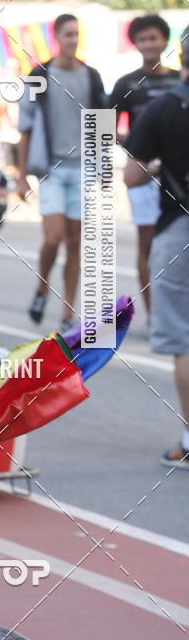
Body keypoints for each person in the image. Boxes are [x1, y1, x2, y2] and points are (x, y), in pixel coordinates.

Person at [124, 25, 189, 469]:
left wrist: (160, 165)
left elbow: (132, 176)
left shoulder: (162, 108)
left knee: (184, 340)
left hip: (178, 229)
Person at [17, 13, 106, 333]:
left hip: (83, 169)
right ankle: (42, 287)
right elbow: (25, 127)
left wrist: (104, 169)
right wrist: (21, 176)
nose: (73, 39)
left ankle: (68, 310)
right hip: (51, 170)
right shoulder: (40, 74)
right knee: (53, 238)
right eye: (68, 34)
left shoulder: (92, 77)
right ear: (56, 37)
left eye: (76, 34)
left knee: (74, 242)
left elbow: (102, 124)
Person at [109, 14, 180, 314]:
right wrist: (137, 146)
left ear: (164, 41)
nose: (149, 44)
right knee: (148, 245)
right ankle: (154, 315)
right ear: (135, 43)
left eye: (154, 38)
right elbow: (105, 128)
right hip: (142, 176)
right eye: (143, 39)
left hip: (178, 176)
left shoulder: (179, 79)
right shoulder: (126, 83)